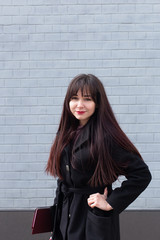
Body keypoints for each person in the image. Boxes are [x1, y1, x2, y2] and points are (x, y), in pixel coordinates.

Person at [46, 74, 151, 240]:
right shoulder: (64, 134)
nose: (79, 105)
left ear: (97, 103)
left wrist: (111, 202)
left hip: (91, 217)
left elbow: (141, 175)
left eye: (87, 99)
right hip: (66, 217)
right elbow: (63, 181)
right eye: (74, 98)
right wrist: (55, 229)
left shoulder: (107, 138)